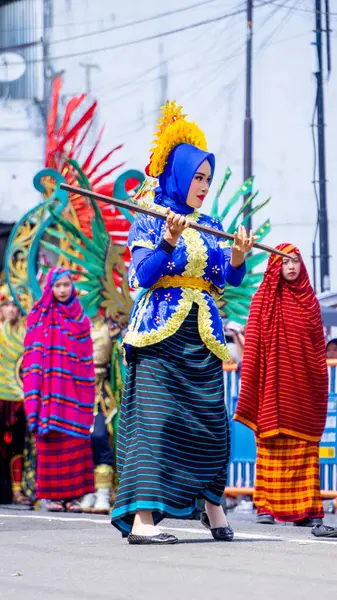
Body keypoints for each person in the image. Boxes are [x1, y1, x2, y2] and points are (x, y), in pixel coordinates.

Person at [110, 102, 255, 544]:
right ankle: (143, 522)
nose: (204, 187)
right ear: (176, 173)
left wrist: (238, 256)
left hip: (204, 336)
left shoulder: (211, 223)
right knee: (157, 424)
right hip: (159, 337)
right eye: (197, 178)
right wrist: (169, 237)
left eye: (208, 179)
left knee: (211, 423)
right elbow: (141, 277)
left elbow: (224, 276)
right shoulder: (149, 217)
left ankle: (213, 510)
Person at [234, 244, 328, 527]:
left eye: (296, 261)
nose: (291, 266)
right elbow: (252, 346)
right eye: (285, 261)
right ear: (275, 265)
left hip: (302, 390)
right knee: (270, 447)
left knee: (303, 447)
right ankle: (265, 507)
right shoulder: (262, 299)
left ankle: (305, 510)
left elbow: (316, 348)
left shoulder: (310, 302)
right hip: (272, 388)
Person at [23, 266, 96, 512]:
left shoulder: (80, 318)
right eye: (58, 286)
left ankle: (73, 498)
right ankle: (53, 497)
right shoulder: (38, 316)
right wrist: (34, 397)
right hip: (47, 395)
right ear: (50, 288)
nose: (62, 290)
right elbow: (31, 357)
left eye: (66, 285)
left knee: (75, 441)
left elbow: (86, 359)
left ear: (72, 287)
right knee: (51, 444)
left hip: (73, 394)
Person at [0, 293, 32, 506]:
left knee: (18, 446)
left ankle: (17, 490)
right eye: (6, 305)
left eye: (14, 305)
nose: (11, 309)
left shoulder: (25, 334)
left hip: (19, 398)